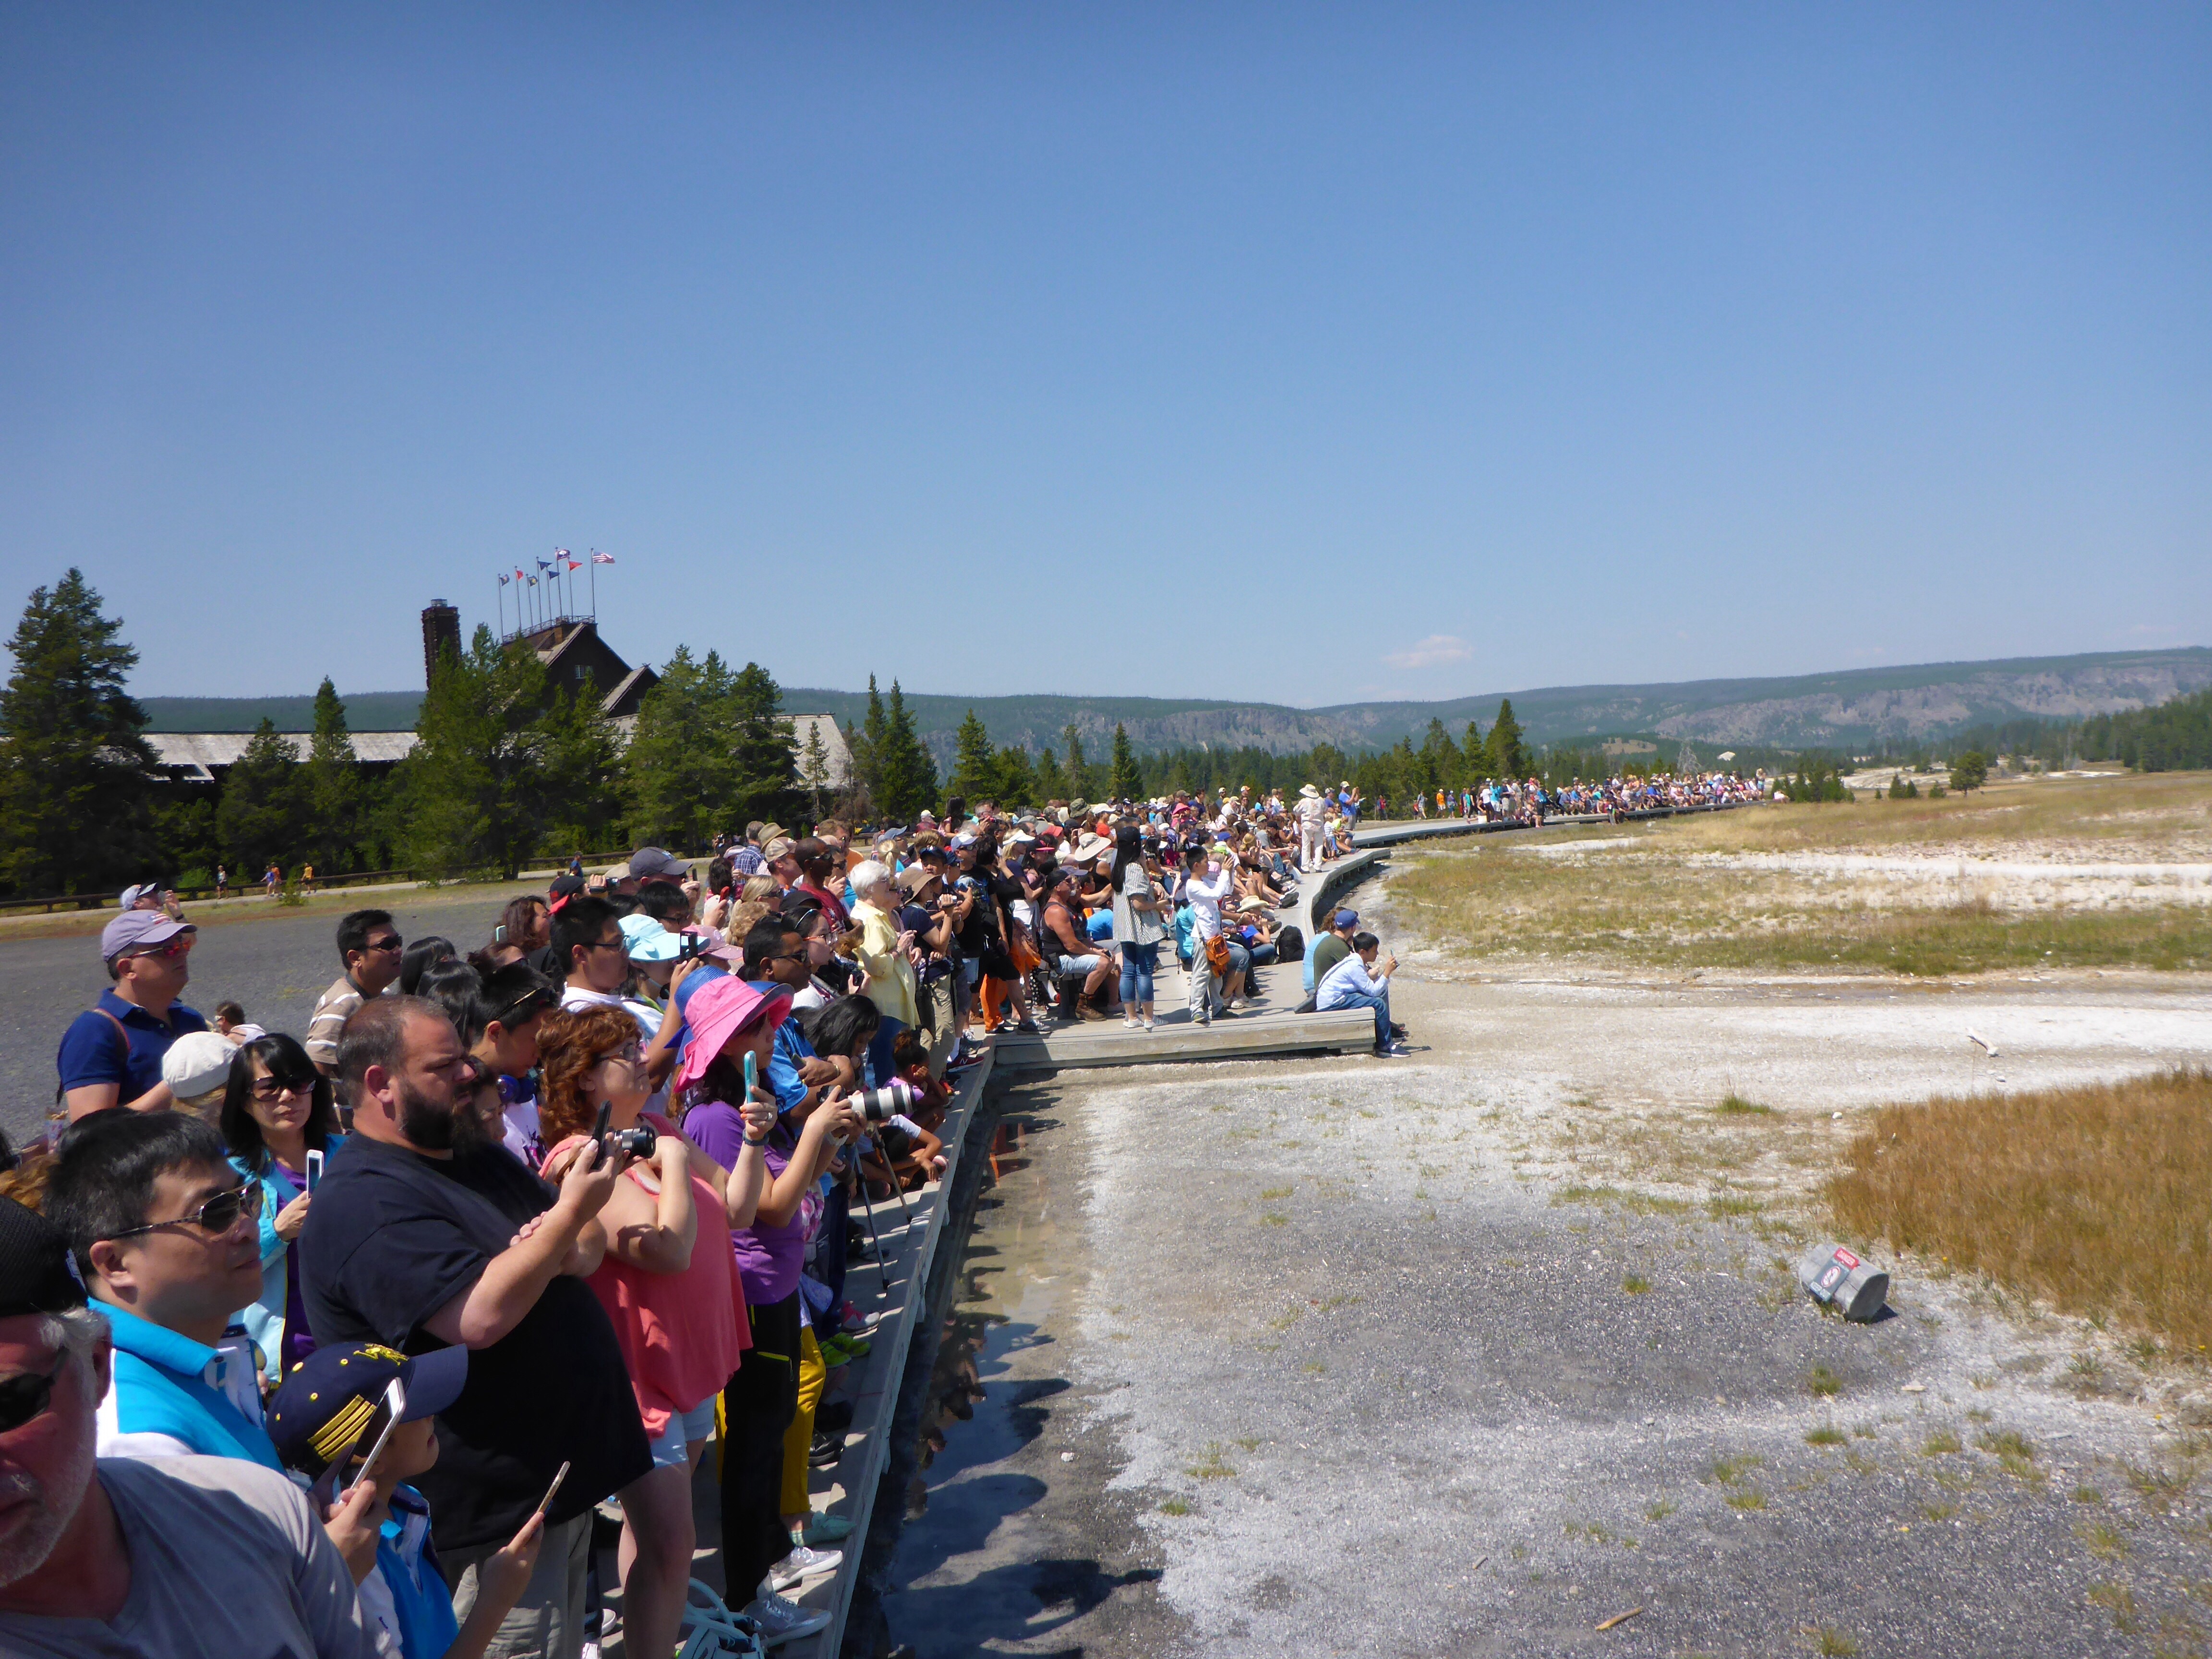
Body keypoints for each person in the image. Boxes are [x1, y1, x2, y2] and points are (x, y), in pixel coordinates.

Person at [299, 996, 650, 1659]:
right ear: (380, 1084)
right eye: (443, 1066)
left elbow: (584, 1249)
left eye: (464, 1057)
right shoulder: (365, 1199)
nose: (469, 1074)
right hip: (488, 1524)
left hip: (552, 1492)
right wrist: (559, 1226)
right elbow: (479, 1318)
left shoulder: (471, 1154)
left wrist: (547, 1243)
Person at [0, 1196, 382, 1657]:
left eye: (9, 1403)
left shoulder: (258, 1513)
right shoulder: (156, 1443)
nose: (243, 1228)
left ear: (96, 1368)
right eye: (213, 1213)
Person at [534, 999, 771, 1659]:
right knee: (672, 1546)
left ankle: (653, 1641)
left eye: (640, 1048)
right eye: (625, 1054)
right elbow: (667, 1250)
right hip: (640, 1380)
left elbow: (740, 1207)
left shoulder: (657, 1127)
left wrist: (754, 1141)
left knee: (656, 1541)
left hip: (688, 1360)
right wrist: (670, 1166)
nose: (645, 1060)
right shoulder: (580, 1158)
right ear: (585, 1077)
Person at [686, 986, 863, 1645]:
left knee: (772, 1430)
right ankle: (747, 1595)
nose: (772, 1035)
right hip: (753, 1297)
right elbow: (771, 1208)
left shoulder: (754, 1102)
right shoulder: (716, 1118)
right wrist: (814, 1129)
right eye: (759, 1026)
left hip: (778, 1292)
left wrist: (826, 1141)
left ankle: (768, 1567)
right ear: (726, 1043)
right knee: (753, 1448)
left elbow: (799, 1184)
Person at [267, 1341, 545, 1659]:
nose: (433, 1414)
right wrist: (496, 1601)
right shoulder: (360, 1563)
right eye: (415, 1408)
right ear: (370, 1453)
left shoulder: (405, 1505)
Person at [42, 1110, 279, 1467]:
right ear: (115, 1264)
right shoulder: (142, 1444)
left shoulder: (200, 1346)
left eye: (247, 1196)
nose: (248, 1227)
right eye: (216, 1212)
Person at [220, 1032, 346, 1386]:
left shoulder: (351, 1154)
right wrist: (277, 1232)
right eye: (269, 1088)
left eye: (299, 1083)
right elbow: (220, 1264)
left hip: (352, 1336)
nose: (288, 1096)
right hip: (278, 1353)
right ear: (245, 1102)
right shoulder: (231, 1175)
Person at [56, 909, 209, 1120]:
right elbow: (90, 1132)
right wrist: (184, 1078)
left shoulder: (190, 1019)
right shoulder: (94, 1031)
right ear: (128, 968)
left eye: (183, 944)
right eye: (168, 949)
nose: (183, 953)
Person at [306, 910, 405, 1083]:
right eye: (388, 945)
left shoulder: (384, 995)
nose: (398, 951)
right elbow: (315, 1075)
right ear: (355, 958)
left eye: (398, 942)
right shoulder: (340, 1005)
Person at [847, 860, 919, 1086]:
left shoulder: (875, 914)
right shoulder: (870, 919)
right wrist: (899, 948)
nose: (889, 884)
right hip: (885, 1006)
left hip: (892, 1004)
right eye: (883, 881)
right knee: (886, 1069)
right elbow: (877, 965)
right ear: (870, 888)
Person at [1042, 866, 1115, 1021]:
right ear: (1057, 887)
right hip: (1059, 960)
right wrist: (1095, 953)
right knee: (1103, 963)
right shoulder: (1056, 910)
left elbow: (1080, 940)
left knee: (1108, 956)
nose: (1072, 884)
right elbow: (1072, 945)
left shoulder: (1066, 906)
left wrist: (1098, 949)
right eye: (1067, 881)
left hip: (1069, 955)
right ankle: (1083, 1005)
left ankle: (1104, 1001)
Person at [1316, 931, 1405, 1056]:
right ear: (1363, 952)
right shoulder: (1355, 965)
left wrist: (1384, 975)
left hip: (1333, 998)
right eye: (1374, 951)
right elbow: (1374, 992)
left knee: (1380, 993)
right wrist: (1387, 972)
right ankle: (1385, 1046)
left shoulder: (1354, 961)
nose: (1377, 954)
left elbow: (1369, 988)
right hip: (1332, 1002)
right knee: (1378, 1004)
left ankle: (1384, 1035)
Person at [1300, 909, 1361, 1012]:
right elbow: (1353, 968)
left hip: (1310, 983)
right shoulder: (1333, 942)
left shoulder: (1323, 936)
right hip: (1317, 988)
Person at [1294, 783, 1327, 873]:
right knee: (1319, 846)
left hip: (1307, 825)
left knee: (1306, 846)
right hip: (1319, 825)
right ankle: (1318, 866)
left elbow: (1296, 811)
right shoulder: (1321, 800)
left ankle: (1305, 867)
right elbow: (1325, 810)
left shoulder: (1304, 801)